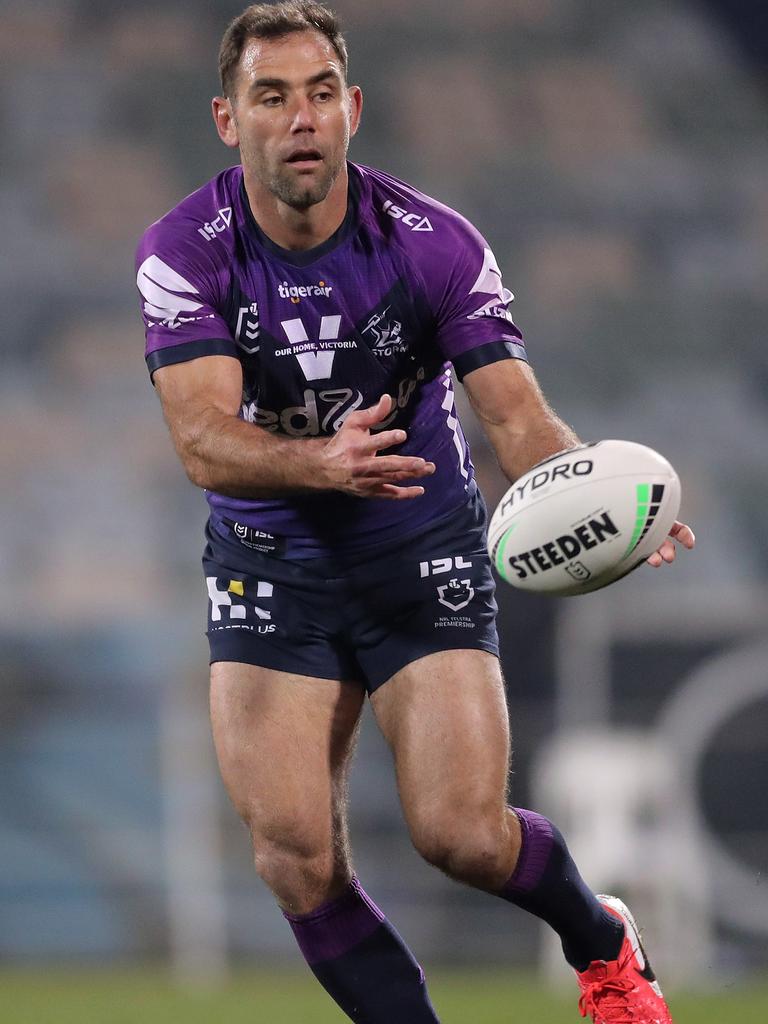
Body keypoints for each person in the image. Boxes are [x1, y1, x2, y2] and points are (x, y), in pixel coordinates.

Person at [135, 3, 695, 1021]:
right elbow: (200, 440)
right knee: (296, 859)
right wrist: (316, 461)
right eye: (271, 97)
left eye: (317, 94)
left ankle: (601, 937)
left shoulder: (433, 244)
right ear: (229, 119)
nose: (298, 118)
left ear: (352, 109)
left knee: (462, 834)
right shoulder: (187, 252)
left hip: (419, 551)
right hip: (272, 567)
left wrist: (607, 499)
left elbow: (516, 418)